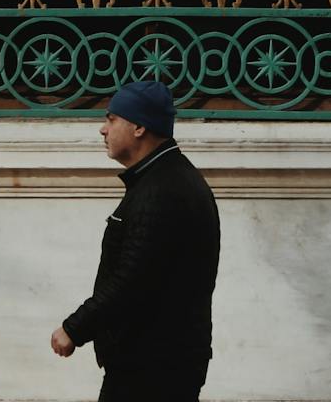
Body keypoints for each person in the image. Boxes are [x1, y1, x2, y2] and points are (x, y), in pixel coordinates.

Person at [50, 79, 221, 402]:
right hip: (155, 362)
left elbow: (132, 280)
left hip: (152, 368)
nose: (103, 129)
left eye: (112, 119)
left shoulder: (162, 191)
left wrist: (75, 328)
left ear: (139, 127)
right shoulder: (163, 179)